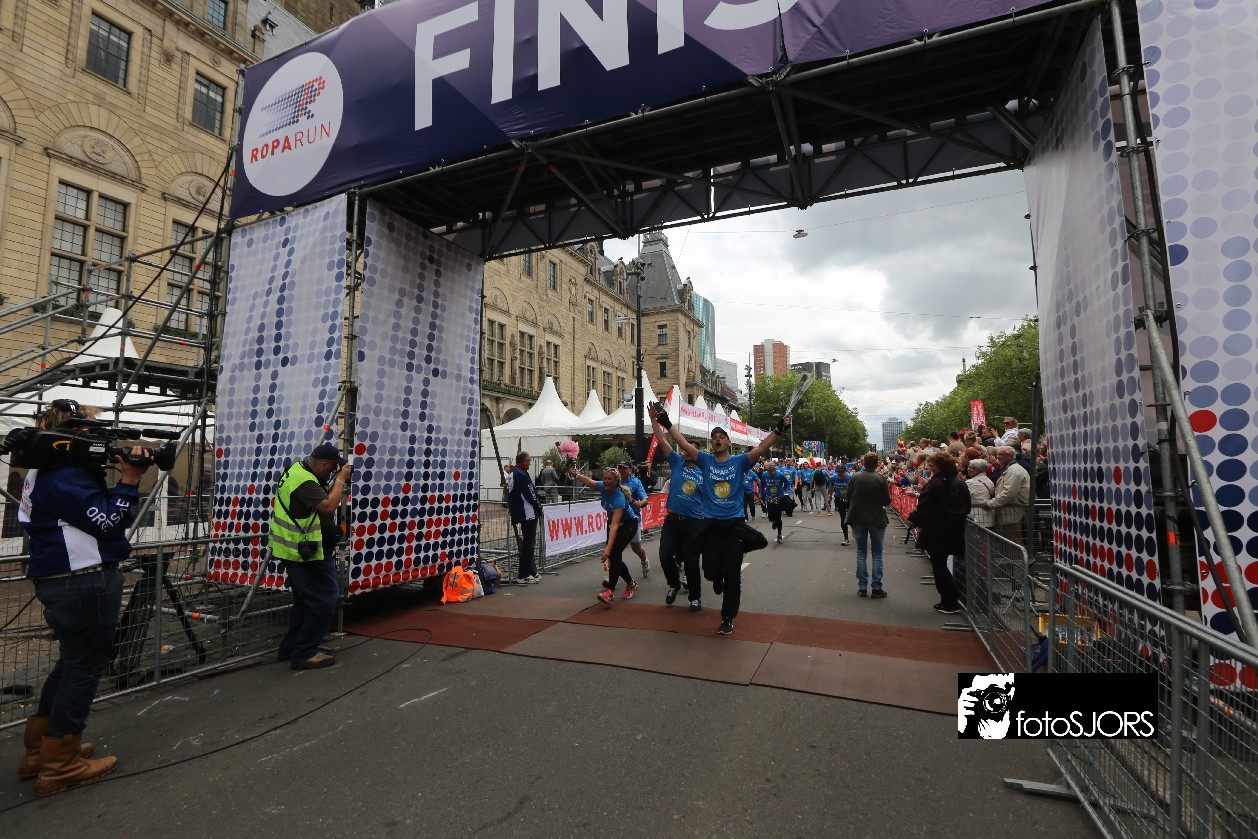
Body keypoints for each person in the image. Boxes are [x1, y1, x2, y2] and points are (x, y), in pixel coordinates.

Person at [18, 399, 153, 795]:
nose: (99, 440)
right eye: (91, 431)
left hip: (68, 579)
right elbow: (109, 522)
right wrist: (130, 479)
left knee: (72, 662)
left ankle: (41, 750)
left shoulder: (47, 469)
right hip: (82, 579)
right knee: (84, 667)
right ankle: (61, 763)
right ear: (73, 434)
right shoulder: (64, 475)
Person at [652, 402, 788, 636]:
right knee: (710, 573)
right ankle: (717, 578)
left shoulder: (739, 462)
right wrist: (665, 422)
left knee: (733, 576)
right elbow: (682, 443)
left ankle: (727, 617)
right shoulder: (705, 460)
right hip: (711, 527)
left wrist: (777, 430)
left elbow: (761, 448)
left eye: (721, 436)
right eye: (714, 437)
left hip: (734, 527)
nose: (717, 439)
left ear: (729, 443)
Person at [271, 441, 352, 670]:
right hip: (305, 552)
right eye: (333, 467)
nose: (334, 471)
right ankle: (305, 652)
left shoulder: (298, 470)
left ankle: (291, 648)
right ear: (324, 464)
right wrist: (340, 480)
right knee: (325, 599)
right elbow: (328, 506)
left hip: (295, 548)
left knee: (305, 601)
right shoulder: (304, 480)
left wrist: (335, 479)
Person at [648, 416, 707, 611]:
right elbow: (662, 440)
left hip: (694, 523)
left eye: (690, 449)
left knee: (691, 562)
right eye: (684, 448)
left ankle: (695, 597)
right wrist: (654, 420)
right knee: (665, 556)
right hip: (672, 521)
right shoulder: (677, 462)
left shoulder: (704, 471)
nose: (686, 451)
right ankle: (673, 584)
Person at [569, 466, 639, 603]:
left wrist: (608, 548)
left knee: (614, 552)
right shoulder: (602, 486)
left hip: (628, 524)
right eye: (604, 478)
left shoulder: (619, 497)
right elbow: (589, 482)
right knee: (614, 556)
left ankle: (610, 592)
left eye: (609, 479)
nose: (606, 481)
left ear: (616, 481)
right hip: (613, 524)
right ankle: (631, 583)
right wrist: (576, 474)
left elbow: (615, 525)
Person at [914, 452, 971, 614]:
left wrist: (916, 520)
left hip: (936, 530)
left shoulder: (934, 484)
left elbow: (923, 507)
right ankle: (951, 600)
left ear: (940, 467)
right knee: (943, 565)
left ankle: (949, 602)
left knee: (939, 566)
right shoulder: (961, 484)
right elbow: (967, 507)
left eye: (933, 466)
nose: (931, 469)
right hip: (955, 529)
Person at [845, 453, 891, 598]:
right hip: (876, 519)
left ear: (863, 463)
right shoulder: (880, 478)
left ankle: (862, 586)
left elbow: (848, 496)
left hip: (858, 518)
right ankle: (876, 587)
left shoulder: (855, 477)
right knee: (877, 554)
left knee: (861, 552)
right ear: (877, 464)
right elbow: (886, 501)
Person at [508, 451, 545, 583]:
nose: (530, 463)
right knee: (528, 544)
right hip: (527, 513)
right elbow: (530, 493)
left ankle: (531, 571)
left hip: (525, 512)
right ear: (524, 461)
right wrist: (539, 507)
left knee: (529, 544)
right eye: (529, 461)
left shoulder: (516, 473)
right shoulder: (520, 473)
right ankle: (523, 574)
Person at [981, 446, 1030, 545]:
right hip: (1009, 513)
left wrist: (991, 504)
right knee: (1011, 542)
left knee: (1013, 543)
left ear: (1010, 456)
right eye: (997, 454)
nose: (997, 457)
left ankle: (1016, 556)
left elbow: (1009, 493)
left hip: (1012, 513)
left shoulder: (1014, 470)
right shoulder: (1010, 469)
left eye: (1001, 454)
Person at [617, 462, 651, 577]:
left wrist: (639, 504)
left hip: (633, 520)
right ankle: (613, 577)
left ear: (630, 470)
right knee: (614, 550)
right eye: (619, 468)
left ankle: (644, 559)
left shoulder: (635, 482)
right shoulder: (614, 480)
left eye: (624, 468)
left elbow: (645, 499)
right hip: (617, 520)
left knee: (636, 548)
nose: (621, 470)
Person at [760, 462, 793, 543]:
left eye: (772, 471)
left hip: (778, 497)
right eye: (769, 471)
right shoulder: (764, 475)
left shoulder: (780, 475)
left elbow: (787, 483)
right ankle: (774, 521)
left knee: (778, 517)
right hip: (769, 497)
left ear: (774, 469)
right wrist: (761, 493)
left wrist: (785, 490)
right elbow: (762, 484)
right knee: (771, 517)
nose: (770, 473)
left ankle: (779, 535)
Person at [965, 459, 996, 529]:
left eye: (971, 468)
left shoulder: (970, 483)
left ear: (978, 470)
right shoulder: (989, 481)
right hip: (989, 516)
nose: (968, 469)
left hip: (975, 518)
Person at [829, 465, 851, 544]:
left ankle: (855, 531)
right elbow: (831, 486)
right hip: (839, 499)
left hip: (849, 499)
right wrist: (830, 496)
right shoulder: (833, 478)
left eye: (842, 472)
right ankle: (846, 538)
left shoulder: (850, 478)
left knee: (852, 517)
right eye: (838, 472)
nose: (840, 474)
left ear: (845, 472)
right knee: (843, 518)